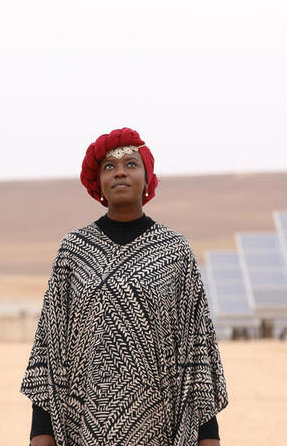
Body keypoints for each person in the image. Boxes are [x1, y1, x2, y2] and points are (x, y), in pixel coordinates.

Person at [21, 127, 228, 446]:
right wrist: (41, 433)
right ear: (98, 183)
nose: (120, 172)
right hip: (84, 427)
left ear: (148, 178)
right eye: (109, 167)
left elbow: (197, 347)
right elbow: (51, 348)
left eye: (131, 164)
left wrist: (208, 436)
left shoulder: (174, 252)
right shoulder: (74, 251)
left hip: (160, 427)